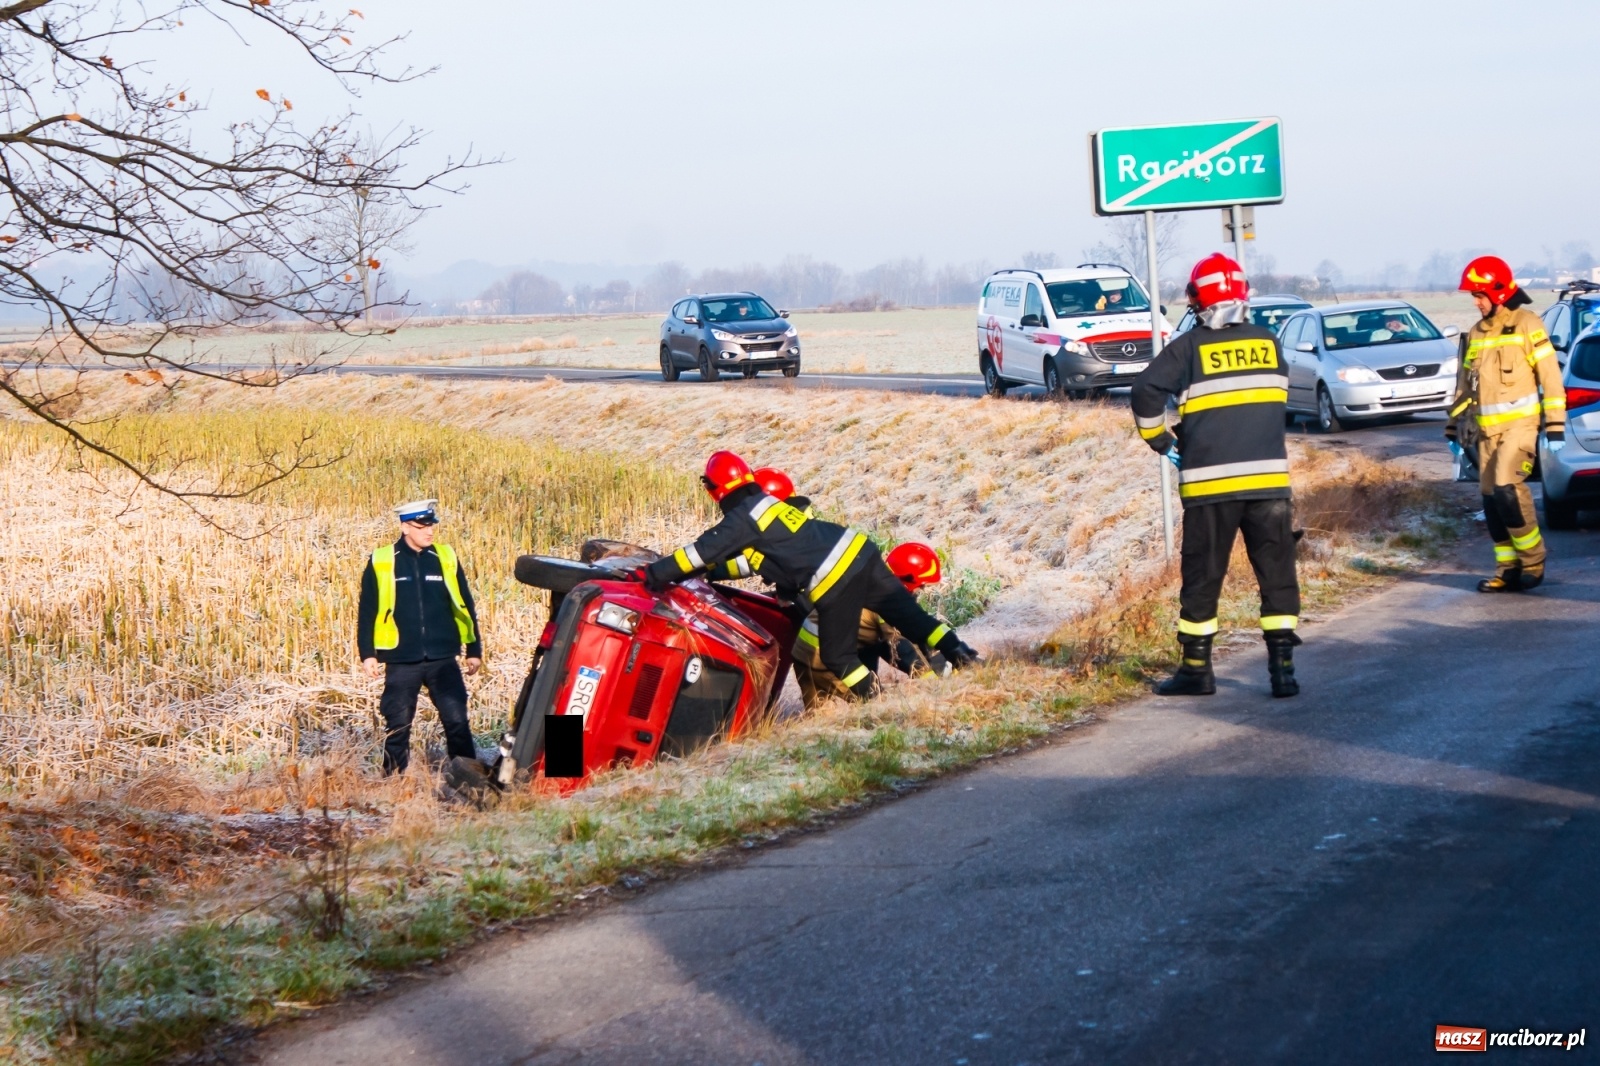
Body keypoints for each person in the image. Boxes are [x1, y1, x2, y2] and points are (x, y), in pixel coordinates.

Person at [644, 452, 980, 699]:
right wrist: (715, 571)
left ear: (714, 490)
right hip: (860, 549)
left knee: (837, 655)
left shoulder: (741, 519)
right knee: (913, 619)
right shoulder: (769, 504)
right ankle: (965, 656)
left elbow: (696, 554)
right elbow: (755, 561)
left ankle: (875, 701)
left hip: (834, 577)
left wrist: (652, 574)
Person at [1130, 252, 1303, 698]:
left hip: (1210, 487)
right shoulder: (1269, 342)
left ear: (1196, 299)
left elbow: (1145, 389)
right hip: (1270, 484)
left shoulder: (1188, 347)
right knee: (1277, 573)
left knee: (1203, 578)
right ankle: (1283, 671)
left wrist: (1162, 441)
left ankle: (1195, 670)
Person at [1446, 255, 1565, 592]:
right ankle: (1507, 567)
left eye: (1479, 295)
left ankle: (1533, 560)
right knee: (1489, 498)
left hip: (1521, 427)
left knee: (1506, 489)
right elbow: (1464, 385)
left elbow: (1551, 379)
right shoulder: (1476, 333)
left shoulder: (1529, 324)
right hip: (1486, 433)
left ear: (1498, 292)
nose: (1475, 301)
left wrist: (1555, 424)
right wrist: (1453, 427)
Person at [357, 499, 483, 774]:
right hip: (401, 659)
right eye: (422, 526)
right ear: (405, 527)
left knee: (457, 721)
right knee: (398, 725)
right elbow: (367, 609)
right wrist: (368, 654)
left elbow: (464, 604)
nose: (429, 531)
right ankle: (392, 784)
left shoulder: (445, 557)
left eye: (431, 526)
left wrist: (474, 649)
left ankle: (471, 780)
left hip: (443, 657)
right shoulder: (382, 561)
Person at [792, 541, 954, 708]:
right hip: (826, 659)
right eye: (920, 585)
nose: (921, 590)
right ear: (908, 581)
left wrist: (942, 662)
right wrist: (933, 681)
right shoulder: (886, 601)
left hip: (805, 651)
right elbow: (901, 647)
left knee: (818, 717)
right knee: (876, 707)